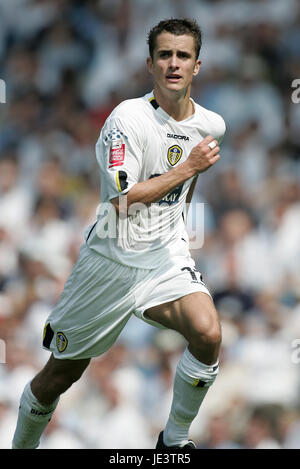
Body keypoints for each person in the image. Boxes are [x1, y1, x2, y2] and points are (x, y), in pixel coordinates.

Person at [12, 18, 226, 450]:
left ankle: (174, 441)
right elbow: (123, 201)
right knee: (61, 375)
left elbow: (187, 190)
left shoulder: (212, 125)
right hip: (109, 262)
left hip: (163, 258)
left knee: (208, 332)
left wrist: (180, 235)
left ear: (197, 65)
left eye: (183, 55)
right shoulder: (126, 118)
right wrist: (187, 168)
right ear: (149, 63)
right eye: (165, 54)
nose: (173, 63)